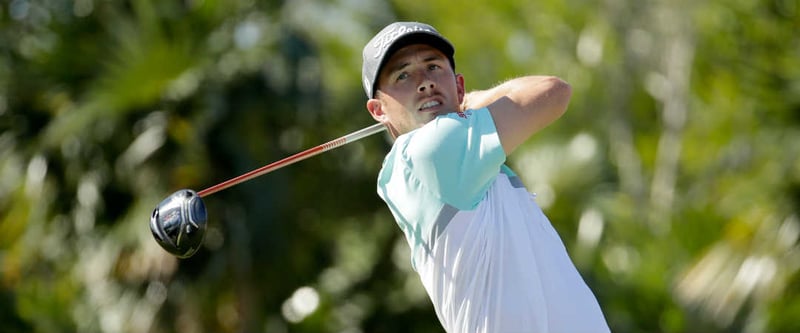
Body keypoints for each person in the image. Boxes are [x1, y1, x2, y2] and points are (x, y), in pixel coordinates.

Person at [362, 22, 610, 332]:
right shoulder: (429, 149)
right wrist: (470, 101)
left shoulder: (469, 161)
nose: (424, 82)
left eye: (434, 66)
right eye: (403, 75)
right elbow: (552, 91)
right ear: (378, 110)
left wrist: (464, 106)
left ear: (459, 85)